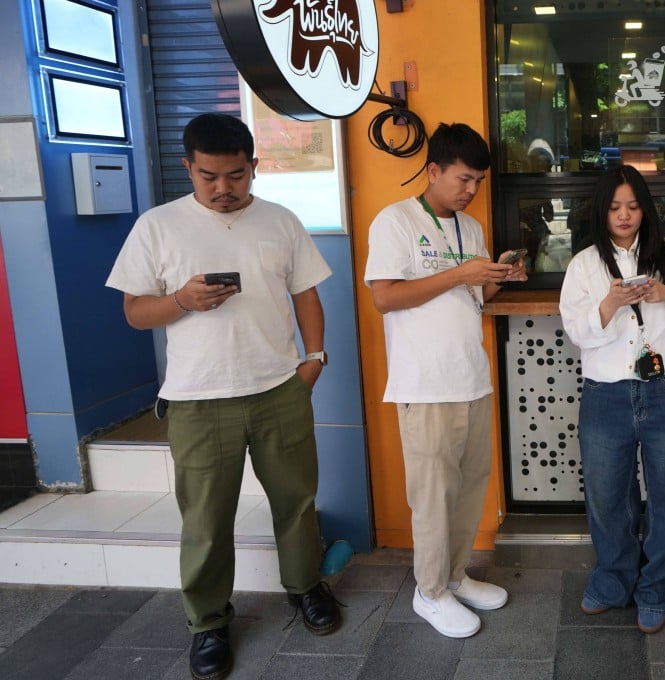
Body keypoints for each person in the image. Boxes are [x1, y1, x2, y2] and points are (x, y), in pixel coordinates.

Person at [106, 113, 339, 680]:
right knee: (207, 520)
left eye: (236, 175)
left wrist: (314, 361)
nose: (223, 188)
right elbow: (135, 312)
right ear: (188, 166)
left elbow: (306, 295)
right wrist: (182, 300)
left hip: (278, 389)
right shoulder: (157, 227)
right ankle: (208, 622)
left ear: (254, 167)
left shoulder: (280, 221)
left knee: (297, 502)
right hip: (197, 398)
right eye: (208, 176)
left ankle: (306, 587)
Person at [364, 122, 528, 638]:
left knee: (466, 491)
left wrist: (496, 278)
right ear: (433, 171)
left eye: (477, 181)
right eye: (463, 179)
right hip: (424, 386)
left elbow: (472, 301)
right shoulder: (394, 221)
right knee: (432, 498)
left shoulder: (470, 227)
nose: (471, 190)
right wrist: (461, 273)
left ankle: (454, 577)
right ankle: (428, 592)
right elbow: (385, 297)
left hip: (471, 380)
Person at [559, 165, 665, 634]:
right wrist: (610, 303)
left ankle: (659, 590)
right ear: (600, 212)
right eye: (614, 207)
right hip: (605, 393)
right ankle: (612, 582)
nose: (624, 216)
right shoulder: (584, 263)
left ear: (644, 209)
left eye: (632, 206)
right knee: (608, 499)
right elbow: (574, 330)